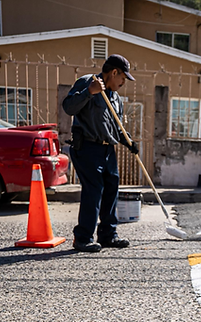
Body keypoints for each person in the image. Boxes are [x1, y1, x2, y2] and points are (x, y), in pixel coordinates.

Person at [62, 54, 139, 253]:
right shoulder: (88, 83)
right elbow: (68, 107)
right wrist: (89, 92)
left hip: (107, 149)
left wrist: (128, 141)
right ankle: (83, 238)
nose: (124, 82)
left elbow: (116, 126)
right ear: (114, 72)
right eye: (123, 77)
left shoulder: (115, 97)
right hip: (87, 147)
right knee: (94, 190)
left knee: (111, 188)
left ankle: (108, 235)